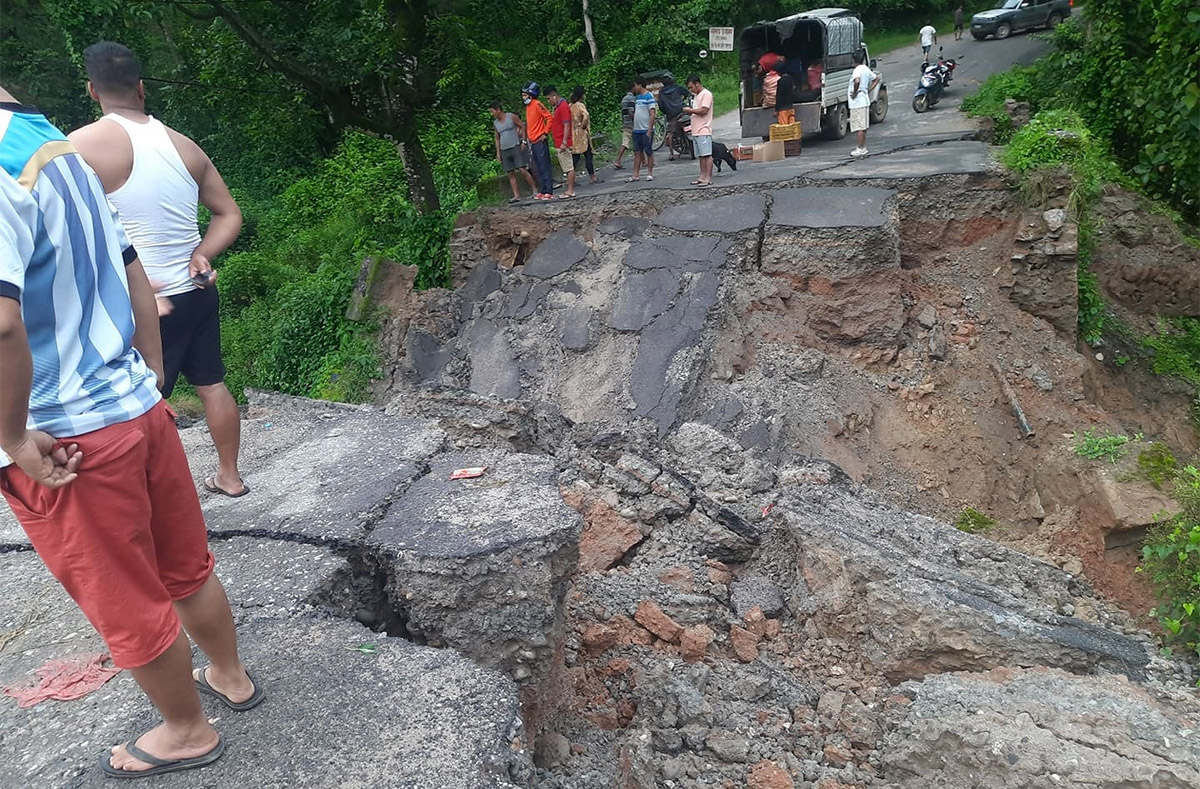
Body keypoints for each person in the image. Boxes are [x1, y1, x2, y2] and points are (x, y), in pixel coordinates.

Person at [0, 84, 261, 779]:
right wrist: (147, 371)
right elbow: (133, 270)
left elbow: (1, 323)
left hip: (68, 434)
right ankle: (230, 675)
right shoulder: (54, 147)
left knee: (125, 594)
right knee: (184, 562)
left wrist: (13, 436)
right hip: (133, 407)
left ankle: (185, 729)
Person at [70, 42, 247, 498]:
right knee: (211, 383)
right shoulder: (185, 146)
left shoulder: (78, 147)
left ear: (92, 90)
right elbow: (229, 214)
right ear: (142, 88)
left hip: (142, 299)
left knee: (140, 400)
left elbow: (65, 229)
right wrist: (202, 253)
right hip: (196, 288)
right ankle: (230, 476)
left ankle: (153, 496)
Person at [490, 101, 538, 203]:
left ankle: (535, 190)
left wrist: (524, 141)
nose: (492, 114)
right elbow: (497, 138)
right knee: (510, 173)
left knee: (522, 169)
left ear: (498, 110)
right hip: (505, 149)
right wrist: (498, 153)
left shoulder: (511, 117)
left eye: (492, 111)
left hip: (515, 146)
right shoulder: (496, 123)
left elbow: (522, 126)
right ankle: (516, 195)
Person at [521, 82, 554, 200]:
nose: (523, 97)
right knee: (537, 167)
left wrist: (545, 132)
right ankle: (543, 189)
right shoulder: (528, 107)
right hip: (532, 141)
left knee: (544, 165)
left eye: (525, 95)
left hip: (540, 139)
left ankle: (549, 190)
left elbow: (549, 117)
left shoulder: (537, 104)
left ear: (531, 95)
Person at [848, 49, 881, 158]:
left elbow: (856, 81)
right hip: (864, 100)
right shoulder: (866, 69)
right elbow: (876, 78)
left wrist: (855, 92)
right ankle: (863, 147)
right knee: (863, 126)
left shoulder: (857, 70)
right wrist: (868, 89)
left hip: (858, 102)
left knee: (859, 127)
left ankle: (860, 148)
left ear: (854, 60)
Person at [683, 74, 714, 187]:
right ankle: (702, 176)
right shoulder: (696, 95)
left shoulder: (706, 94)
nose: (691, 90)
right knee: (701, 155)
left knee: (707, 155)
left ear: (697, 84)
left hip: (704, 129)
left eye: (691, 87)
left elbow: (704, 110)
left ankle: (708, 177)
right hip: (696, 129)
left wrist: (690, 110)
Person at [545, 86, 575, 199]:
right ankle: (570, 189)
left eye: (548, 99)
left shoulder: (563, 107)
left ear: (554, 96)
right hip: (559, 141)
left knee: (568, 167)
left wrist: (564, 142)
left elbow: (567, 125)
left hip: (563, 142)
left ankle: (570, 190)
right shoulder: (558, 107)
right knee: (566, 167)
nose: (548, 101)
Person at [568, 87, 600, 185]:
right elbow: (586, 116)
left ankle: (570, 180)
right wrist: (583, 125)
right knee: (588, 155)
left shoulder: (570, 106)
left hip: (573, 134)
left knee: (575, 157)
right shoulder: (580, 105)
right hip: (582, 134)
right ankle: (593, 177)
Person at [627, 77, 656, 182]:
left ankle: (650, 173)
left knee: (648, 151)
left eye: (635, 85)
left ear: (639, 85)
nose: (634, 88)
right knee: (637, 152)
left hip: (645, 129)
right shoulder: (637, 98)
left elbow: (652, 114)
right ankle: (635, 174)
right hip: (637, 129)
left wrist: (649, 130)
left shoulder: (649, 96)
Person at [657, 74, 686, 161]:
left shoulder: (661, 93)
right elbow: (688, 93)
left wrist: (666, 111)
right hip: (682, 111)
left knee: (670, 133)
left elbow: (661, 106)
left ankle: (671, 154)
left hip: (671, 115)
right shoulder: (677, 88)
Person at [613, 85, 636, 170]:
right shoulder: (631, 98)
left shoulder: (624, 99)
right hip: (631, 124)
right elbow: (631, 112)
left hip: (625, 123)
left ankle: (617, 160)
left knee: (625, 143)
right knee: (637, 143)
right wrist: (636, 120)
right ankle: (644, 161)